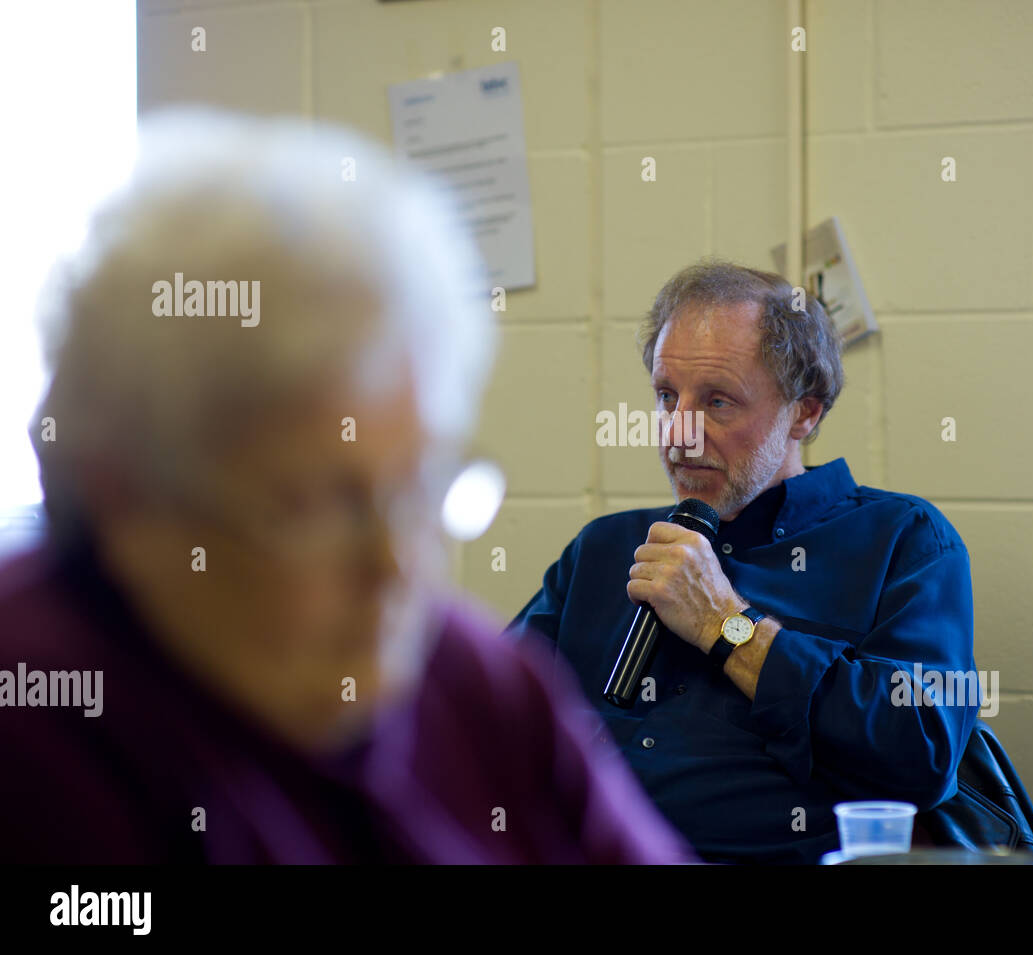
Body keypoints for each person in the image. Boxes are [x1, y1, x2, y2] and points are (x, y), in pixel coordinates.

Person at [0, 109, 694, 864]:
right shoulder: (41, 722)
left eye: (419, 485)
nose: (397, 566)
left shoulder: (465, 679)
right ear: (121, 498)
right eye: (315, 505)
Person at [511, 261, 980, 864]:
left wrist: (726, 626)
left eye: (718, 402)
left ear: (804, 413)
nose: (679, 433)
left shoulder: (903, 542)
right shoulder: (604, 549)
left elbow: (921, 758)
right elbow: (479, 721)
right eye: (665, 396)